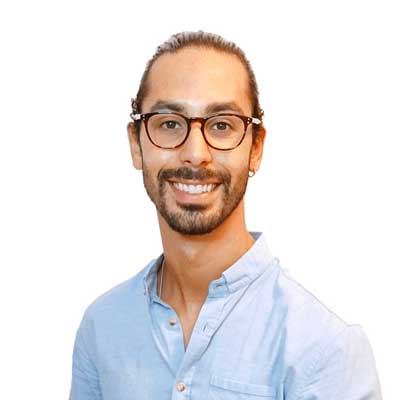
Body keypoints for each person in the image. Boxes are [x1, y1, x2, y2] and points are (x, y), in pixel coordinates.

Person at [70, 31, 382, 399]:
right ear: (136, 145)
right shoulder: (102, 327)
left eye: (222, 125)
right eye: (169, 123)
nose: (195, 153)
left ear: (256, 149)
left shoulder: (325, 349)